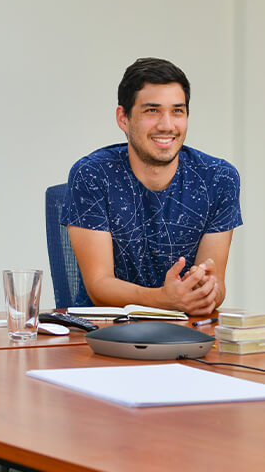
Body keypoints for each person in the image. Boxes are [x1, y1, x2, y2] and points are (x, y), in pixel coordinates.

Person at [62, 57, 242, 315]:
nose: (167, 125)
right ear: (123, 118)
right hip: (104, 333)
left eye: (177, 111)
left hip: (184, 332)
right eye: (152, 111)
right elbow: (99, 286)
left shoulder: (218, 178)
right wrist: (163, 299)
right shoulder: (93, 174)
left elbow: (217, 282)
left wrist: (206, 290)